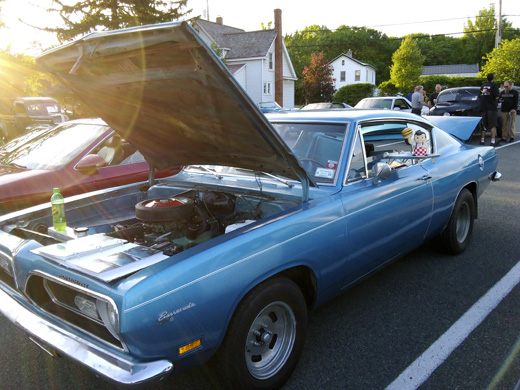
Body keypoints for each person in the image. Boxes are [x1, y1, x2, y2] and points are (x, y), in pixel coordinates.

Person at [479, 73, 500, 146]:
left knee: (483, 125)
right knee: (493, 125)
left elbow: (480, 96)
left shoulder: (483, 86)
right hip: (491, 107)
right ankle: (493, 141)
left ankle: (482, 140)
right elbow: (497, 97)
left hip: (483, 107)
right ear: (493, 78)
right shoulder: (494, 86)